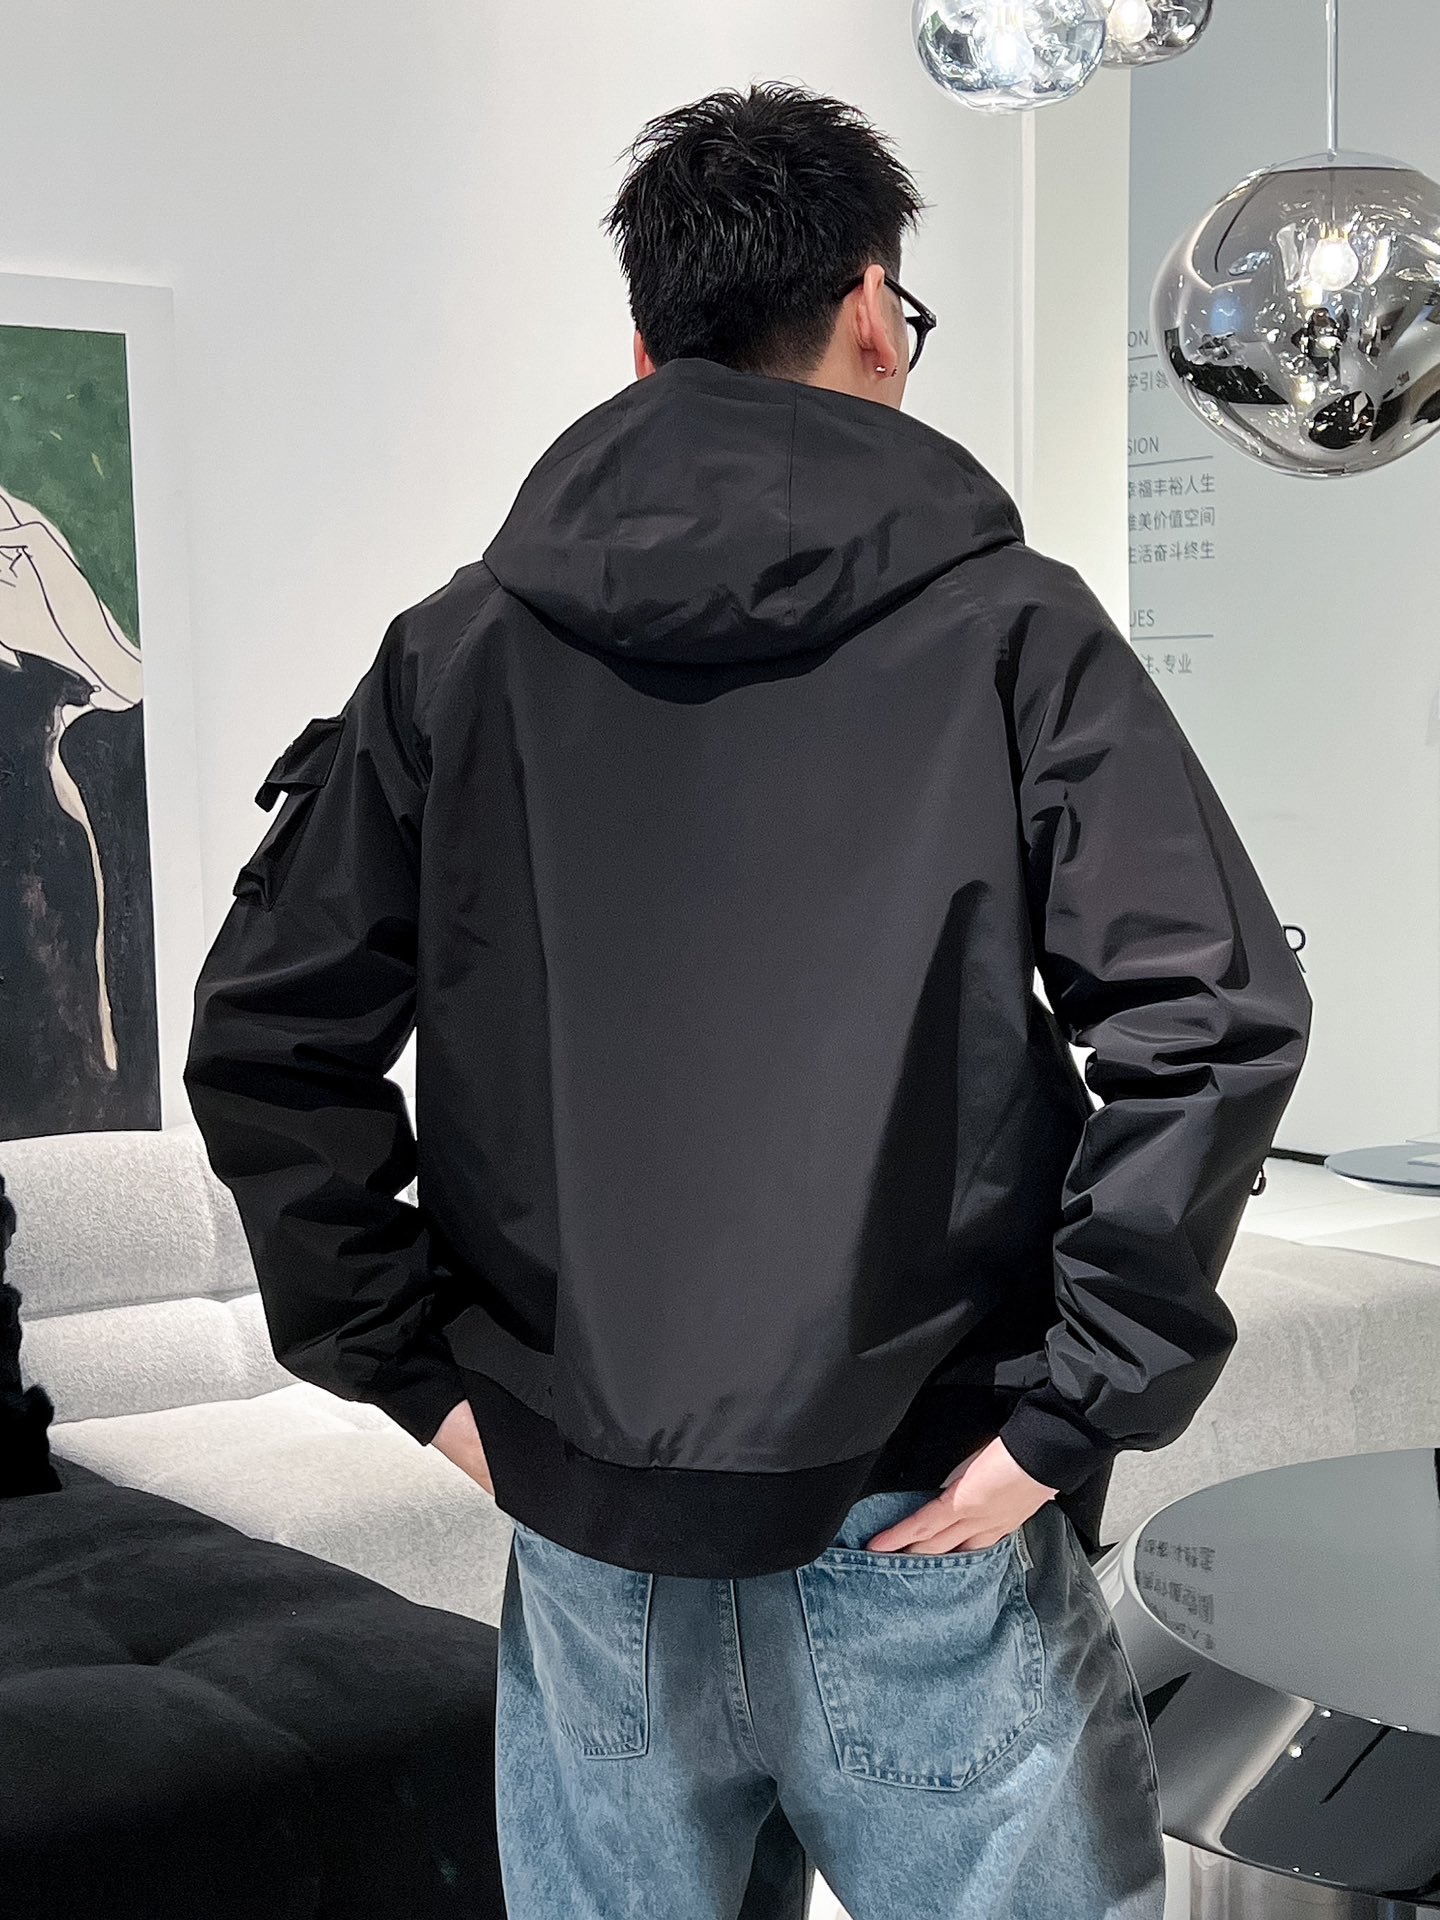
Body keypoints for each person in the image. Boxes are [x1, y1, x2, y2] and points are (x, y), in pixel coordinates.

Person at [184, 81, 1313, 1920]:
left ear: (644, 350)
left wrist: (417, 1377)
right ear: (873, 310)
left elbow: (264, 1038)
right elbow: (1211, 1017)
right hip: (929, 1525)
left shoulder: (457, 653)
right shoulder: (1018, 630)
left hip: (592, 1545)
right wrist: (1071, 1413)